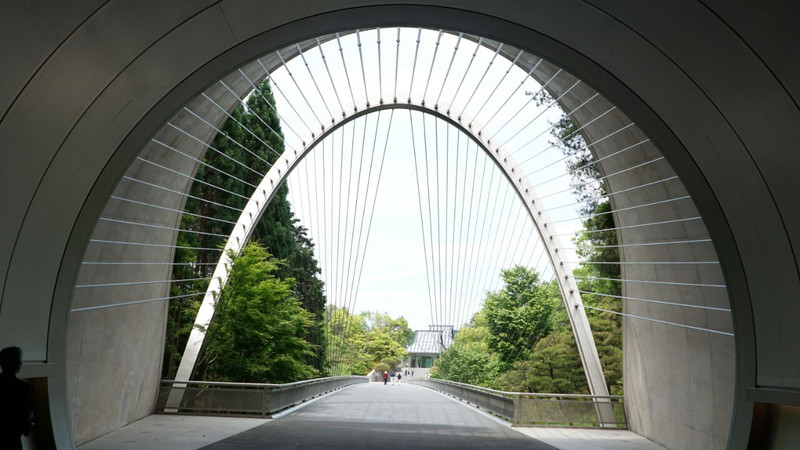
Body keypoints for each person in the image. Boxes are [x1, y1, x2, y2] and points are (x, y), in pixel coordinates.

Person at [0, 346, 33, 450]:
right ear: (18, 365)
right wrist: (31, 420)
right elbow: (24, 425)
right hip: (11, 442)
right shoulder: (22, 388)